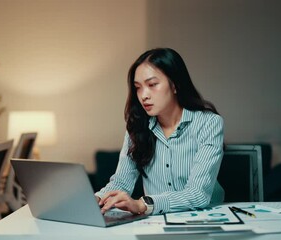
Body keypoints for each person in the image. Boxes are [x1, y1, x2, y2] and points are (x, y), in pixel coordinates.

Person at [95, 48, 224, 215]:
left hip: (205, 217)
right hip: (156, 220)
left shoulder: (209, 123)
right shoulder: (138, 126)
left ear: (175, 85)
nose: (143, 95)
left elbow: (198, 194)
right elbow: (121, 182)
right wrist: (97, 199)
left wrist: (144, 204)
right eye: (138, 88)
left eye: (152, 85)